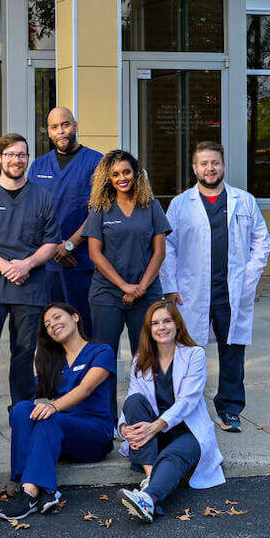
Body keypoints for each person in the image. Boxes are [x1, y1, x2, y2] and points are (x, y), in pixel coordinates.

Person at [160, 141, 270, 433]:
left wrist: (249, 277)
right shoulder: (181, 204)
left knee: (232, 350)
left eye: (215, 163)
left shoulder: (244, 201)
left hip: (231, 290)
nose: (210, 169)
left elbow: (261, 241)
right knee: (187, 351)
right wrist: (169, 285)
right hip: (191, 291)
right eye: (204, 164)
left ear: (223, 165)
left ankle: (230, 409)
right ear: (195, 168)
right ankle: (184, 406)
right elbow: (167, 247)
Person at [0, 133, 60, 404]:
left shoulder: (43, 198)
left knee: (24, 353)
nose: (16, 160)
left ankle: (21, 410)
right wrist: (8, 267)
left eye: (21, 155)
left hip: (29, 290)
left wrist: (27, 264)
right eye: (10, 155)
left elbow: (52, 242)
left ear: (27, 159)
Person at [0, 303, 114, 521]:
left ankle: (31, 493)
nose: (52, 325)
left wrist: (52, 406)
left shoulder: (101, 351)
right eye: (47, 324)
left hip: (94, 435)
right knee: (22, 409)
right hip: (62, 435)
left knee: (50, 418)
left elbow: (85, 388)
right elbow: (29, 390)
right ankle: (31, 484)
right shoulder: (54, 361)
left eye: (56, 317)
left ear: (75, 317)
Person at [117, 301, 225, 523]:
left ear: (177, 324)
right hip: (152, 433)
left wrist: (154, 427)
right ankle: (150, 477)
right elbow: (131, 399)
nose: (161, 327)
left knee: (171, 457)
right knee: (135, 401)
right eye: (155, 323)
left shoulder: (194, 354)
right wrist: (125, 429)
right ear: (149, 329)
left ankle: (148, 499)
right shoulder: (141, 360)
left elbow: (188, 401)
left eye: (167, 321)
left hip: (187, 431)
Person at [85, 149, 171, 422]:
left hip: (146, 293)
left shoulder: (152, 206)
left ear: (136, 173)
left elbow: (159, 252)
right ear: (107, 178)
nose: (122, 178)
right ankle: (106, 420)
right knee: (104, 358)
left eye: (126, 172)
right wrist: (124, 286)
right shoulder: (99, 208)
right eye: (115, 174)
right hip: (107, 293)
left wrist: (140, 288)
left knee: (146, 357)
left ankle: (143, 417)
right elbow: (95, 254)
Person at [28, 107, 103, 336]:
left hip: (81, 262)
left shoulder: (96, 162)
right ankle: (53, 373)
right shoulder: (38, 166)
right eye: (54, 127)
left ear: (76, 126)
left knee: (84, 328)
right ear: (48, 132)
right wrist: (53, 247)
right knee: (50, 329)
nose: (61, 131)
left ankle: (86, 373)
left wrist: (70, 243)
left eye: (66, 125)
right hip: (47, 264)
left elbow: (99, 209)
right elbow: (31, 212)